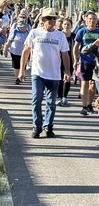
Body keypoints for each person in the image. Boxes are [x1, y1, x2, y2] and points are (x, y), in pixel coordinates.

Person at [18, 8, 71, 138]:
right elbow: (26, 51)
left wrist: (67, 72)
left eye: (54, 18)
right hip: (38, 72)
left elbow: (65, 54)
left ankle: (48, 126)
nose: (52, 21)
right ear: (43, 20)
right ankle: (37, 126)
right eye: (49, 18)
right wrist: (21, 70)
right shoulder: (35, 33)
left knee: (51, 102)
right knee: (36, 99)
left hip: (54, 74)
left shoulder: (60, 35)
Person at [73, 11, 99, 115]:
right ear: (86, 20)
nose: (92, 21)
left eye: (94, 19)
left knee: (93, 84)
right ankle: (84, 106)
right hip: (85, 61)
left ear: (97, 20)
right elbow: (76, 47)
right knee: (85, 83)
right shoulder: (82, 31)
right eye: (90, 19)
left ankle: (90, 104)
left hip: (97, 62)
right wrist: (76, 60)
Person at [3, 14, 31, 84]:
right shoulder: (14, 32)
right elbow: (8, 42)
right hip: (15, 52)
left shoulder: (28, 32)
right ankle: (18, 78)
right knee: (16, 66)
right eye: (20, 27)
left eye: (23, 27)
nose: (22, 28)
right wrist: (5, 51)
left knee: (23, 65)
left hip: (24, 52)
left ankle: (21, 75)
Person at [56, 18, 75, 106]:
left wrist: (75, 61)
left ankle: (64, 97)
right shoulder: (59, 35)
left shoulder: (73, 37)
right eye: (65, 24)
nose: (66, 26)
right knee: (59, 79)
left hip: (70, 60)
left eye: (68, 24)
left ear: (71, 26)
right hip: (59, 60)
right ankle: (59, 97)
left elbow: (75, 50)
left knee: (67, 79)